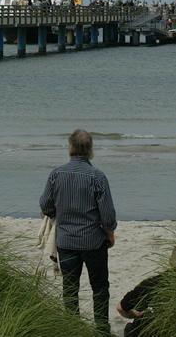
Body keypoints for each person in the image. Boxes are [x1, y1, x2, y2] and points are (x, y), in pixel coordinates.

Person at [39, 129, 117, 335]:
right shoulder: (97, 177)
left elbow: (45, 205)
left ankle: (72, 329)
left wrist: (58, 215)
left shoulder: (56, 174)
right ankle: (102, 330)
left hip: (66, 241)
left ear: (70, 147)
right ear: (90, 150)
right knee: (99, 288)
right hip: (93, 242)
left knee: (70, 288)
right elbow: (108, 216)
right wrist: (110, 233)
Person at [116, 244, 176, 337]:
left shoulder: (151, 283)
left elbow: (120, 308)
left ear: (170, 261)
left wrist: (134, 315)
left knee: (131, 329)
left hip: (149, 332)